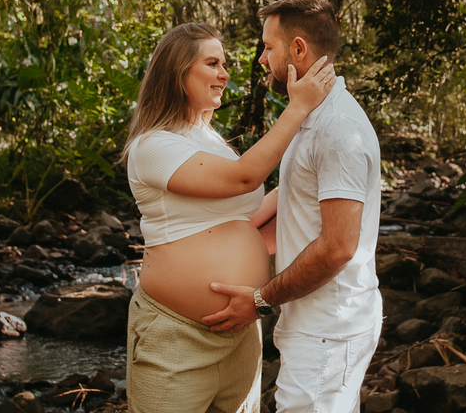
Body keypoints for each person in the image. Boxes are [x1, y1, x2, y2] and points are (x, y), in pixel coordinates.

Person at [122, 22, 336, 413]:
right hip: (177, 336)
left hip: (242, 332)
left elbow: (248, 219)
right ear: (177, 71)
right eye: (212, 63)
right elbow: (244, 178)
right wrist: (299, 106)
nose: (224, 74)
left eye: (224, 64)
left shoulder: (213, 143)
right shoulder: (152, 144)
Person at [203, 0, 383, 413]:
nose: (261, 59)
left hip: (329, 332)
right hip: (316, 327)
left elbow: (339, 246)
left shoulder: (338, 129)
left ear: (297, 49)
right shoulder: (313, 117)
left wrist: (261, 300)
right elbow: (296, 198)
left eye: (268, 47)